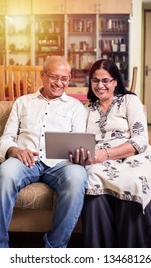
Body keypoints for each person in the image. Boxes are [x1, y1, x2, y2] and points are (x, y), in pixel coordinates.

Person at [71, 58, 151, 248]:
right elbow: (78, 139)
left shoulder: (129, 101)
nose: (100, 85)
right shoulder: (85, 109)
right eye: (95, 80)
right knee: (91, 179)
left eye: (105, 80)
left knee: (132, 181)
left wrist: (106, 154)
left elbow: (140, 139)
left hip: (133, 155)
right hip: (97, 158)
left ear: (115, 81)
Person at [0, 55, 88, 248]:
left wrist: (80, 154)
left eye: (64, 78)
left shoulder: (76, 108)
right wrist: (15, 150)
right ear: (43, 75)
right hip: (25, 160)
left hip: (61, 163)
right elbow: (6, 138)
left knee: (78, 177)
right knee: (4, 173)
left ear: (69, 78)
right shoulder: (22, 102)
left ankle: (54, 249)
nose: (59, 83)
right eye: (54, 77)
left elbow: (79, 142)